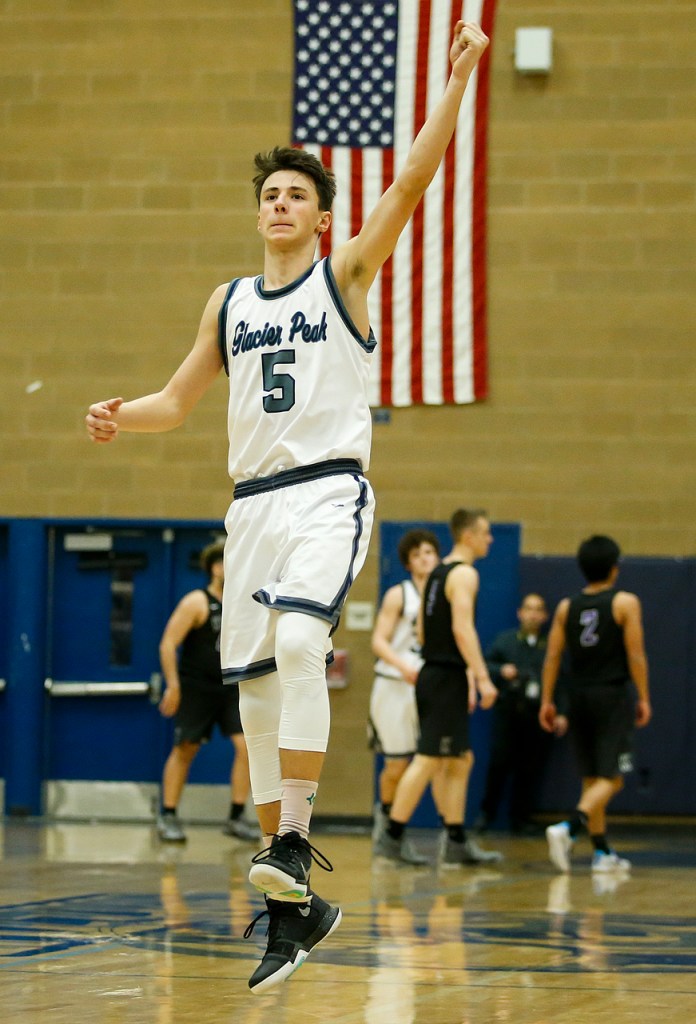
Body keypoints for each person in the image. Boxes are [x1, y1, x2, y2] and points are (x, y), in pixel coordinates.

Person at [85, 21, 490, 993]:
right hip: (250, 510)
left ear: (318, 219)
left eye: (295, 195)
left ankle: (298, 848)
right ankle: (291, 913)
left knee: (307, 646)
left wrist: (459, 83)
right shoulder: (228, 303)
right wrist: (118, 415)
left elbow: (408, 186)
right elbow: (179, 401)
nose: (278, 203)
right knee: (259, 702)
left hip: (324, 492)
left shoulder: (342, 273)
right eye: (268, 194)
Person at [374, 509, 503, 867]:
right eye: (485, 533)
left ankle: (456, 838)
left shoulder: (435, 574)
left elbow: (421, 634)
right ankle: (393, 835)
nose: (489, 539)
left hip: (433, 672)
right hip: (445, 675)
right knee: (430, 758)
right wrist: (481, 677)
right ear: (467, 536)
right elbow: (463, 629)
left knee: (460, 758)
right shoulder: (464, 574)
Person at [540, 535, 652, 874]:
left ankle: (602, 852)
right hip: (611, 695)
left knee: (592, 779)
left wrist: (547, 700)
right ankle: (569, 828)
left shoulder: (565, 607)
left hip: (578, 696)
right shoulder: (625, 603)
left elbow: (553, 657)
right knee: (613, 778)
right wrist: (644, 696)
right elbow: (635, 654)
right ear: (614, 568)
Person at [157, 541, 259, 844]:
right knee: (186, 748)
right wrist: (173, 685)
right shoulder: (196, 602)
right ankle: (168, 814)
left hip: (232, 688)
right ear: (216, 567)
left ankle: (236, 816)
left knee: (246, 748)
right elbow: (167, 644)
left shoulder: (246, 603)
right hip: (197, 687)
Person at [369, 528, 446, 859]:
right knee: (397, 764)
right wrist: (404, 666)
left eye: (429, 552)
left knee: (437, 761)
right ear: (407, 562)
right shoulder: (398, 595)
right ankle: (386, 822)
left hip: (430, 685)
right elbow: (378, 641)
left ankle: (450, 832)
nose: (424, 558)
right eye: (417, 554)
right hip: (395, 684)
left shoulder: (446, 593)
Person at [475, 593, 567, 836]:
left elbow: (563, 682)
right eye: (529, 609)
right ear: (520, 613)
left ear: (545, 616)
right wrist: (501, 670)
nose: (533, 614)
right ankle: (487, 814)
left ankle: (521, 817)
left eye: (538, 610)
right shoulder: (504, 641)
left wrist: (562, 713)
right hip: (508, 712)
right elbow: (485, 665)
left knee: (530, 768)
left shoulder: (550, 646)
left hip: (536, 715)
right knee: (499, 763)